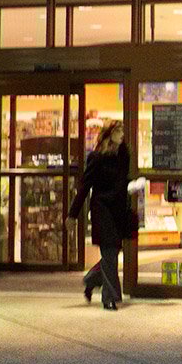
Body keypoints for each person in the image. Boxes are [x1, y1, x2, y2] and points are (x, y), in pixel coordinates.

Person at [69, 122, 135, 310]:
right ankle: (109, 298)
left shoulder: (123, 155)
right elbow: (85, 187)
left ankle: (91, 279)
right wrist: (73, 214)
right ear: (109, 134)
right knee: (109, 252)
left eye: (122, 131)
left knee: (111, 254)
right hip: (102, 210)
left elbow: (123, 180)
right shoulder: (97, 158)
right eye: (118, 131)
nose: (122, 134)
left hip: (118, 211)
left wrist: (132, 186)